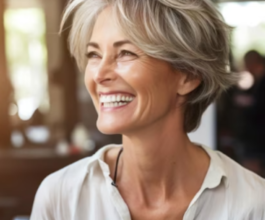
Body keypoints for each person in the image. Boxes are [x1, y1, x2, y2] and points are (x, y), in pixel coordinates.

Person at [31, 0, 265, 219]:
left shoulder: (252, 205)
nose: (99, 75)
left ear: (189, 74)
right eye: (94, 54)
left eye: (126, 53)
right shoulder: (61, 198)